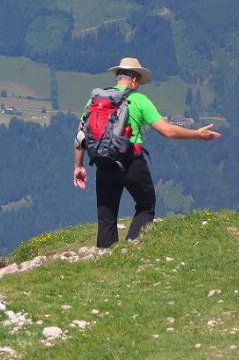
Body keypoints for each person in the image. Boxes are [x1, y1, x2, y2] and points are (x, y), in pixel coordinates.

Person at [73, 57, 221, 248]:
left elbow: (80, 136)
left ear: (118, 77)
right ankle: (131, 249)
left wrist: (78, 166)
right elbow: (167, 130)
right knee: (146, 204)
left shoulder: (95, 100)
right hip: (131, 162)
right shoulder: (139, 100)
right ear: (134, 80)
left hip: (103, 161)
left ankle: (105, 258)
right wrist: (197, 134)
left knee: (107, 213)